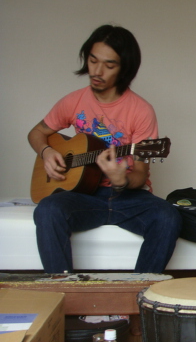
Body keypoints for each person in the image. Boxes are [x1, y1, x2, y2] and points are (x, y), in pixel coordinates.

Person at [28, 24, 182, 273]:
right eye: (93, 61)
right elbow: (36, 133)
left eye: (109, 65)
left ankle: (139, 290)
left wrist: (121, 180)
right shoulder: (73, 101)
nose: (97, 71)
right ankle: (63, 289)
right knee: (48, 209)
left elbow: (140, 174)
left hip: (128, 198)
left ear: (124, 69)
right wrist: (46, 152)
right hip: (83, 195)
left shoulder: (141, 110)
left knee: (168, 216)